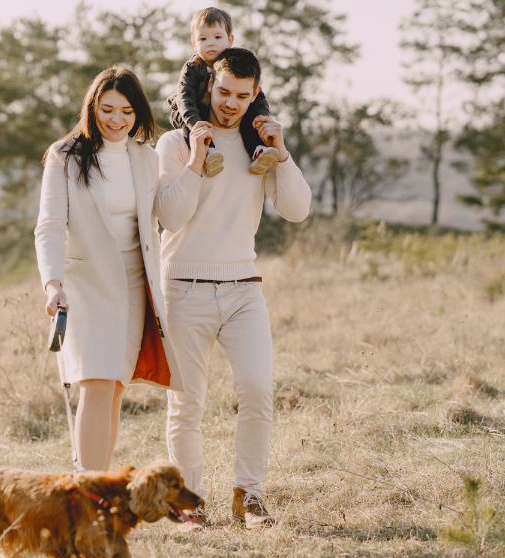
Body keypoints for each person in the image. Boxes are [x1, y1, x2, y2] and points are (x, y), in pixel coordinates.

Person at [155, 47, 312, 527]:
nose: (231, 103)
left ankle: (250, 498)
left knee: (259, 389)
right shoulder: (174, 143)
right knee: (187, 403)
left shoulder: (256, 141)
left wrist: (281, 153)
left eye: (243, 95)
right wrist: (197, 159)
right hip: (183, 286)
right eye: (224, 91)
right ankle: (190, 502)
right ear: (208, 86)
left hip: (244, 287)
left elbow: (297, 209)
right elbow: (172, 215)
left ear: (255, 94)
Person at [35, 66, 184, 472]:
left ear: (138, 113)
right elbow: (48, 226)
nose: (116, 119)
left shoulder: (146, 158)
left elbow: (167, 215)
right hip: (86, 288)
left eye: (126, 110)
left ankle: (98, 492)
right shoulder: (64, 156)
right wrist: (52, 283)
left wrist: (196, 166)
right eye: (107, 109)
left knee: (114, 391)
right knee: (97, 387)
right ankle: (88, 492)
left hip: (136, 287)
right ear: (92, 109)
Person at [167, 7, 279, 179]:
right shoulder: (193, 67)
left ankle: (257, 151)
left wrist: (262, 116)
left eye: (217, 37)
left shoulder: (233, 64)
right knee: (193, 124)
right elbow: (184, 98)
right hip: (188, 110)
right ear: (194, 43)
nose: (210, 43)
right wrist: (194, 122)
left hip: (215, 110)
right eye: (203, 38)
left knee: (247, 117)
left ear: (230, 40)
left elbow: (258, 96)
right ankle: (208, 153)